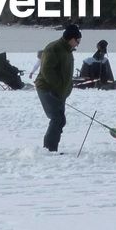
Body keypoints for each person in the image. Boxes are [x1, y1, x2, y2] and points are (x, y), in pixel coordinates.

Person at [35, 23, 81, 152]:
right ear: (71, 38)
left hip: (60, 92)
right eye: (77, 40)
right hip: (47, 89)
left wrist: (67, 87)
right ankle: (49, 150)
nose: (78, 43)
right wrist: (59, 87)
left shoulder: (67, 50)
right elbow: (47, 71)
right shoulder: (53, 48)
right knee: (57, 119)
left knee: (60, 120)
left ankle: (51, 148)